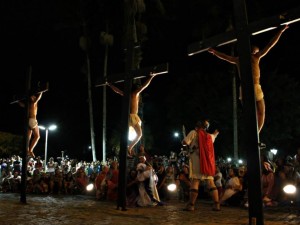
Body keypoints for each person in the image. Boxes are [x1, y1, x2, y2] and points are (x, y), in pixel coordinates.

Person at [208, 25, 288, 134]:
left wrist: (215, 52)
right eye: (256, 50)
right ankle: (256, 133)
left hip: (244, 88)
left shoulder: (238, 59)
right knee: (261, 112)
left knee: (251, 113)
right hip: (254, 86)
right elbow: (270, 45)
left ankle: (254, 133)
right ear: (254, 51)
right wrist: (281, 31)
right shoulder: (255, 57)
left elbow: (225, 56)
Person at [107, 74, 158, 157]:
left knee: (133, 134)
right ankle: (129, 148)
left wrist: (110, 85)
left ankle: (128, 148)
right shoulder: (135, 93)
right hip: (132, 116)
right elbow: (144, 86)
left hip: (129, 117)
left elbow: (117, 90)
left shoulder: (126, 94)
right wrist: (151, 77)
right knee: (139, 134)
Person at [182, 119, 220, 211]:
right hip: (208, 162)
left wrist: (185, 142)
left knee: (195, 181)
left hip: (197, 161)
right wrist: (215, 133)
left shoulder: (193, 133)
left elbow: (185, 142)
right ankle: (216, 205)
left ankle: (191, 205)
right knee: (211, 182)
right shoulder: (210, 136)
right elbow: (214, 136)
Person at [18, 92, 43, 158]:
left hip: (27, 121)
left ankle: (27, 150)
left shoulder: (27, 105)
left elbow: (21, 105)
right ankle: (30, 150)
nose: (34, 97)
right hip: (32, 120)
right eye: (33, 97)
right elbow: (38, 98)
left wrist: (18, 101)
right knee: (37, 136)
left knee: (28, 137)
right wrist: (41, 92)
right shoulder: (33, 103)